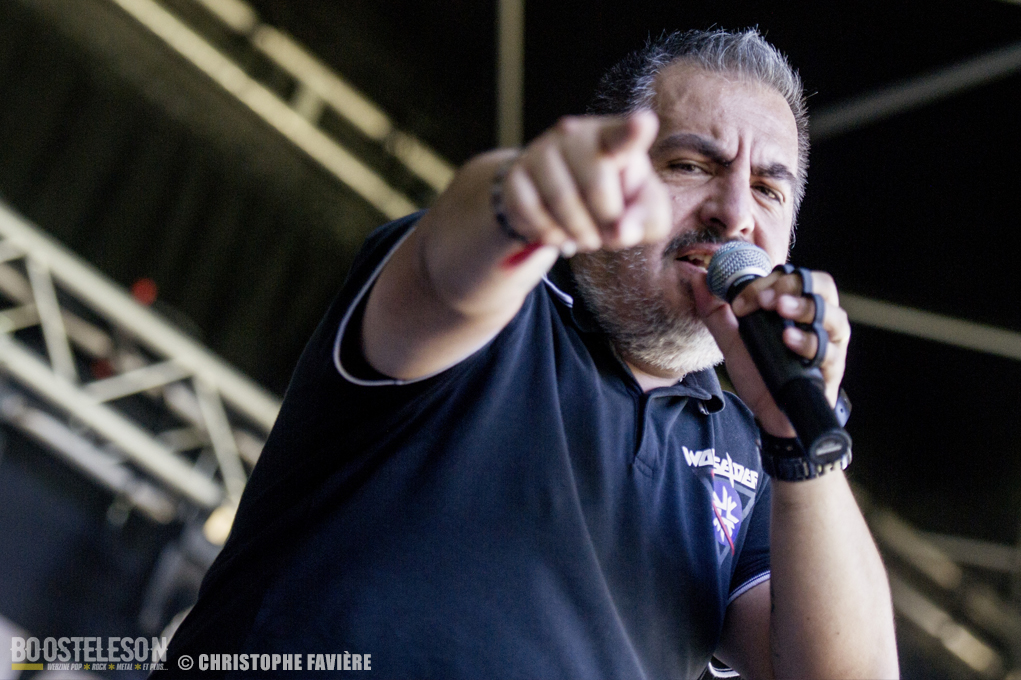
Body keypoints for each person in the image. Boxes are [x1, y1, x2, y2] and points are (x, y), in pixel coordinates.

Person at [161, 28, 899, 679]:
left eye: (767, 189)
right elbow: (446, 264)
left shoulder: (758, 455)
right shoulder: (502, 311)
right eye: (690, 165)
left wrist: (799, 443)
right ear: (612, 173)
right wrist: (520, 197)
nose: (733, 212)